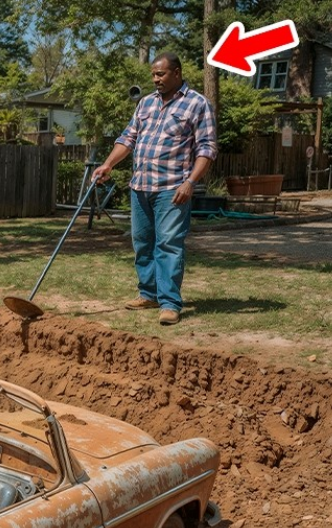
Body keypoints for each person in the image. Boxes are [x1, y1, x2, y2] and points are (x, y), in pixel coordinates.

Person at [92, 54, 217, 327]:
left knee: (169, 244)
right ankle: (148, 294)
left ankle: (170, 303)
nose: (155, 80)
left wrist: (190, 182)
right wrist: (108, 164)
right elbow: (128, 138)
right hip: (140, 186)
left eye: (160, 74)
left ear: (176, 73)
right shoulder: (146, 103)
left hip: (173, 188)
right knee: (142, 243)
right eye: (153, 75)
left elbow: (207, 149)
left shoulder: (197, 104)